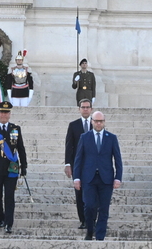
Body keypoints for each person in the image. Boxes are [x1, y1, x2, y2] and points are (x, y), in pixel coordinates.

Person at [73, 111, 123, 241]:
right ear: (92, 122)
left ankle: (100, 237)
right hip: (88, 178)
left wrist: (118, 177)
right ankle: (90, 231)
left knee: (104, 208)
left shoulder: (111, 137)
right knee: (89, 205)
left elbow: (118, 159)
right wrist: (76, 177)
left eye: (101, 121)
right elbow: (78, 158)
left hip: (106, 178)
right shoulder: (85, 137)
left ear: (104, 122)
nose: (99, 123)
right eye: (96, 121)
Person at [0, 100, 28, 234]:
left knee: (9, 196)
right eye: (2, 112)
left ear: (10, 114)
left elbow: (21, 148)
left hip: (11, 168)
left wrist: (23, 166)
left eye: (6, 112)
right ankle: (0, 218)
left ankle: (9, 223)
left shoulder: (15, 129)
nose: (4, 115)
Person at [64, 98, 94, 229]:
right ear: (79, 109)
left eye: (88, 107)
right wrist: (67, 164)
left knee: (93, 193)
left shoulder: (97, 124)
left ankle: (93, 219)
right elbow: (69, 146)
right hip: (78, 165)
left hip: (94, 165)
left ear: (91, 109)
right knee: (79, 193)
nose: (85, 109)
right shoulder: (73, 125)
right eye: (83, 107)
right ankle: (83, 220)